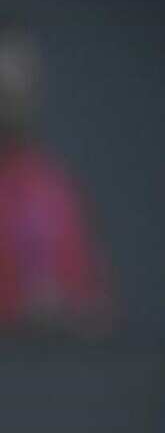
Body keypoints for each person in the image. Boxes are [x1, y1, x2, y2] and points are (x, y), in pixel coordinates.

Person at [0, 21, 111, 334]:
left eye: (20, 87)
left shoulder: (55, 189)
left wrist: (67, 311)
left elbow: (97, 304)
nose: (10, 103)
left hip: (55, 374)